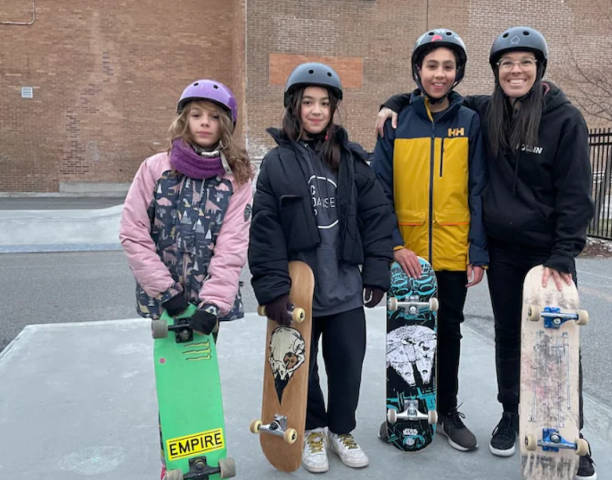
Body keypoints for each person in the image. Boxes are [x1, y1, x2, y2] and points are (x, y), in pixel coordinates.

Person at [376, 26, 596, 480]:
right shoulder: (487, 109)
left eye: (526, 64)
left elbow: (576, 195)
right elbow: (432, 93)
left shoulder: (564, 119)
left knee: (557, 340)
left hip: (548, 254)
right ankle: (513, 415)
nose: (516, 71)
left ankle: (574, 434)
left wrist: (563, 253)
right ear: (496, 73)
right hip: (502, 250)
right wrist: (394, 102)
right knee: (508, 335)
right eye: (507, 64)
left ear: (540, 70)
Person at [248, 62, 394, 473]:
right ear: (294, 107)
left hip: (345, 284)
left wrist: (377, 273)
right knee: (302, 369)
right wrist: (273, 289)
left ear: (333, 110)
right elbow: (265, 230)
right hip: (299, 290)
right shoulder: (276, 164)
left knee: (348, 362)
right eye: (308, 102)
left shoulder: (351, 161)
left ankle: (340, 430)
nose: (315, 110)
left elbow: (378, 219)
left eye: (324, 103)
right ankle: (312, 427)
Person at [119, 79, 254, 480]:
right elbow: (133, 232)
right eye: (196, 115)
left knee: (199, 378)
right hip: (166, 303)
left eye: (214, 117)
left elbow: (232, 247)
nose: (205, 123)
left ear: (226, 125)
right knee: (173, 379)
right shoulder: (155, 169)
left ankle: (205, 459)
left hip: (207, 305)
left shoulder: (237, 178)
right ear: (184, 119)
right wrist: (167, 293)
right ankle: (171, 464)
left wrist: (212, 305)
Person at [370, 28, 489, 453]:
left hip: (454, 252)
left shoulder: (470, 121)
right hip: (408, 253)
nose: (439, 74)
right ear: (417, 70)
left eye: (448, 67)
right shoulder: (397, 122)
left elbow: (477, 188)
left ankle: (447, 412)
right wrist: (394, 245)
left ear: (457, 74)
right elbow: (379, 190)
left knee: (449, 332)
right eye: (431, 65)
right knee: (406, 333)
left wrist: (478, 251)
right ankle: (407, 411)